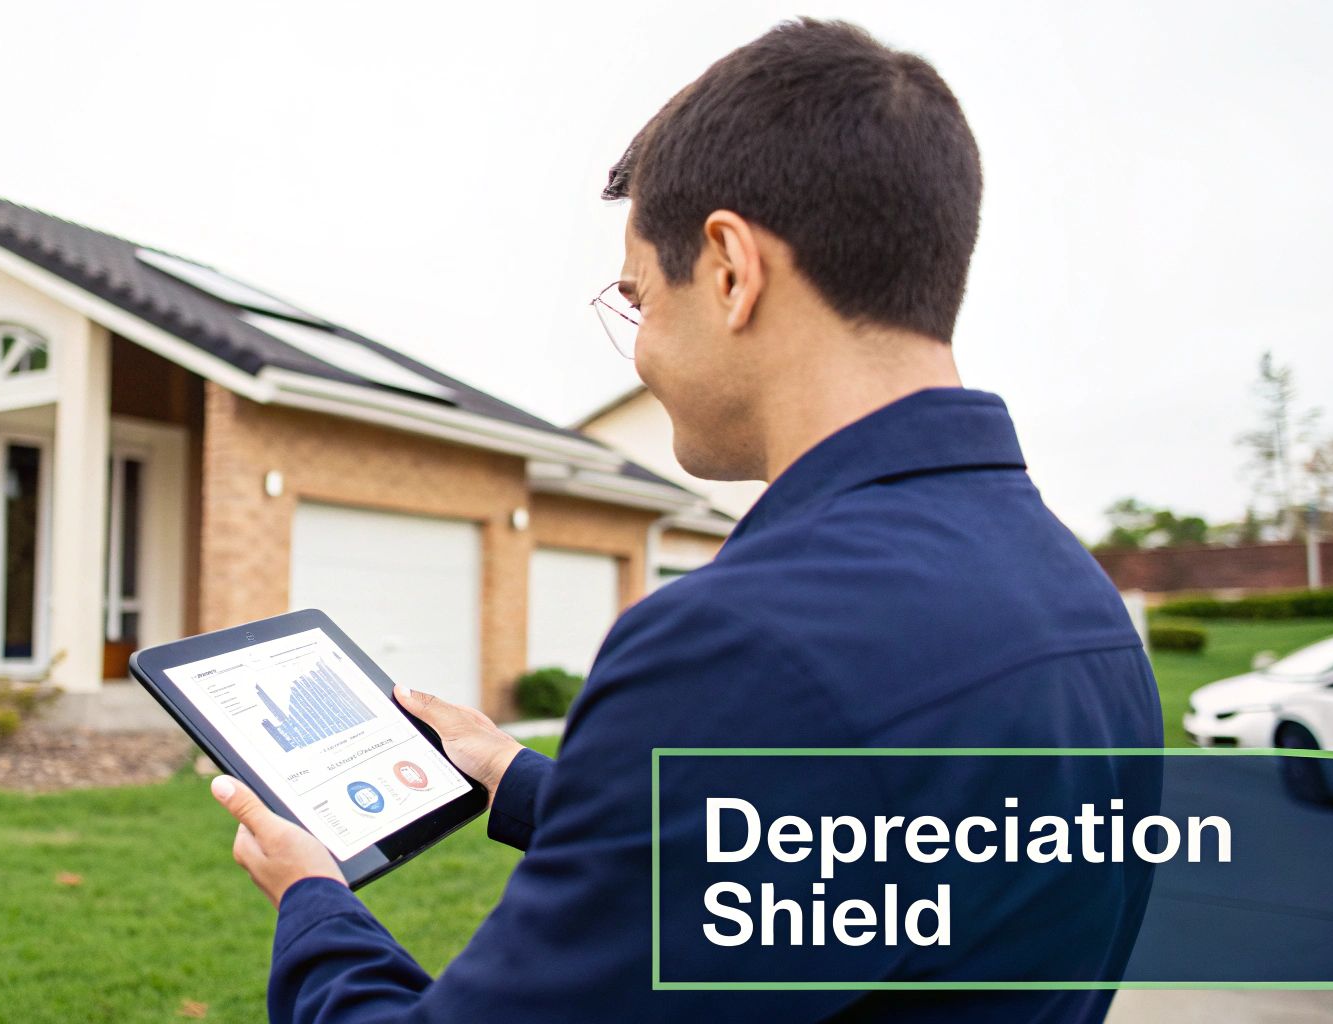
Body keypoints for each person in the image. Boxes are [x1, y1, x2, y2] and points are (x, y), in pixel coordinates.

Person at [209, 18, 1162, 1022]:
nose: (637, 350)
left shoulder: (743, 645)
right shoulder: (1077, 606)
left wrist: (314, 903)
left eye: (635, 300)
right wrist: (511, 776)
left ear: (727, 269)